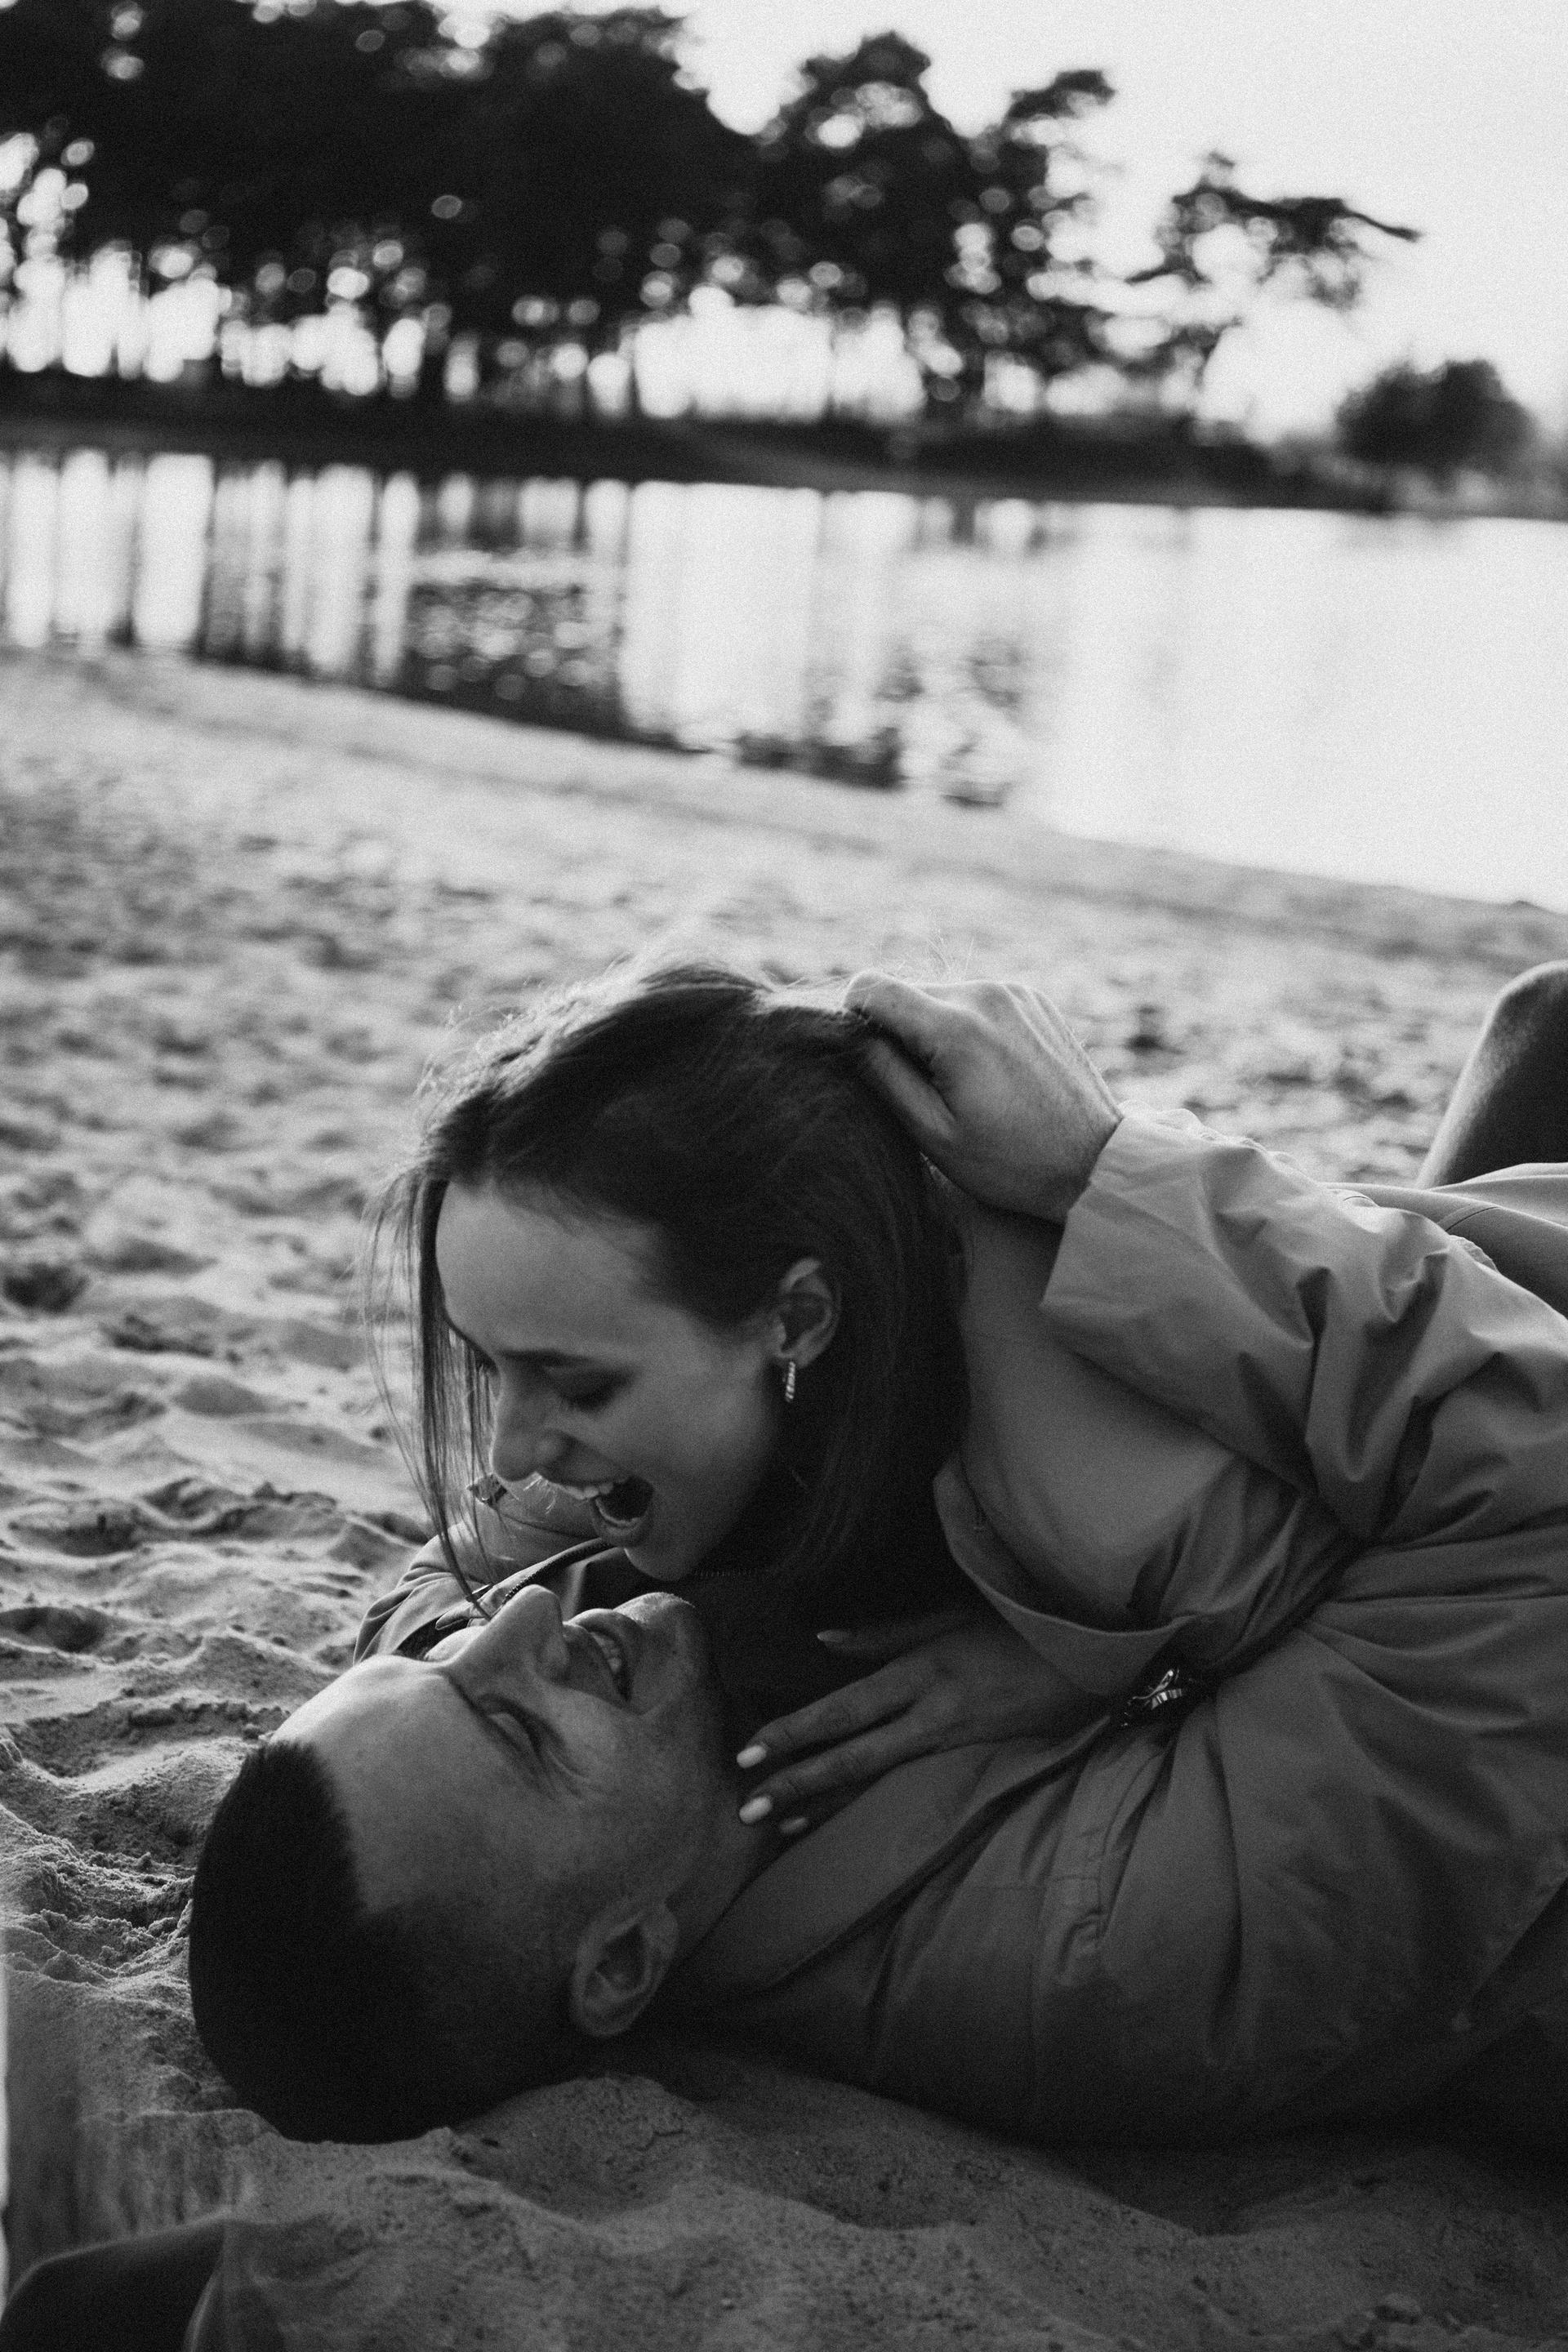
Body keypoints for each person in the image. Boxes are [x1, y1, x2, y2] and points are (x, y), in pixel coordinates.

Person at [11, 963, 1568, 2350]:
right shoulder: (1096, 1946)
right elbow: (1534, 1490)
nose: (528, 1600)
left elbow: (437, 1591)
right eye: (516, 1726)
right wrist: (1107, 1174)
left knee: (1541, 1020)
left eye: (556, 1378)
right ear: (621, 1963)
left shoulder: (636, 1723)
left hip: (1440, 1340)